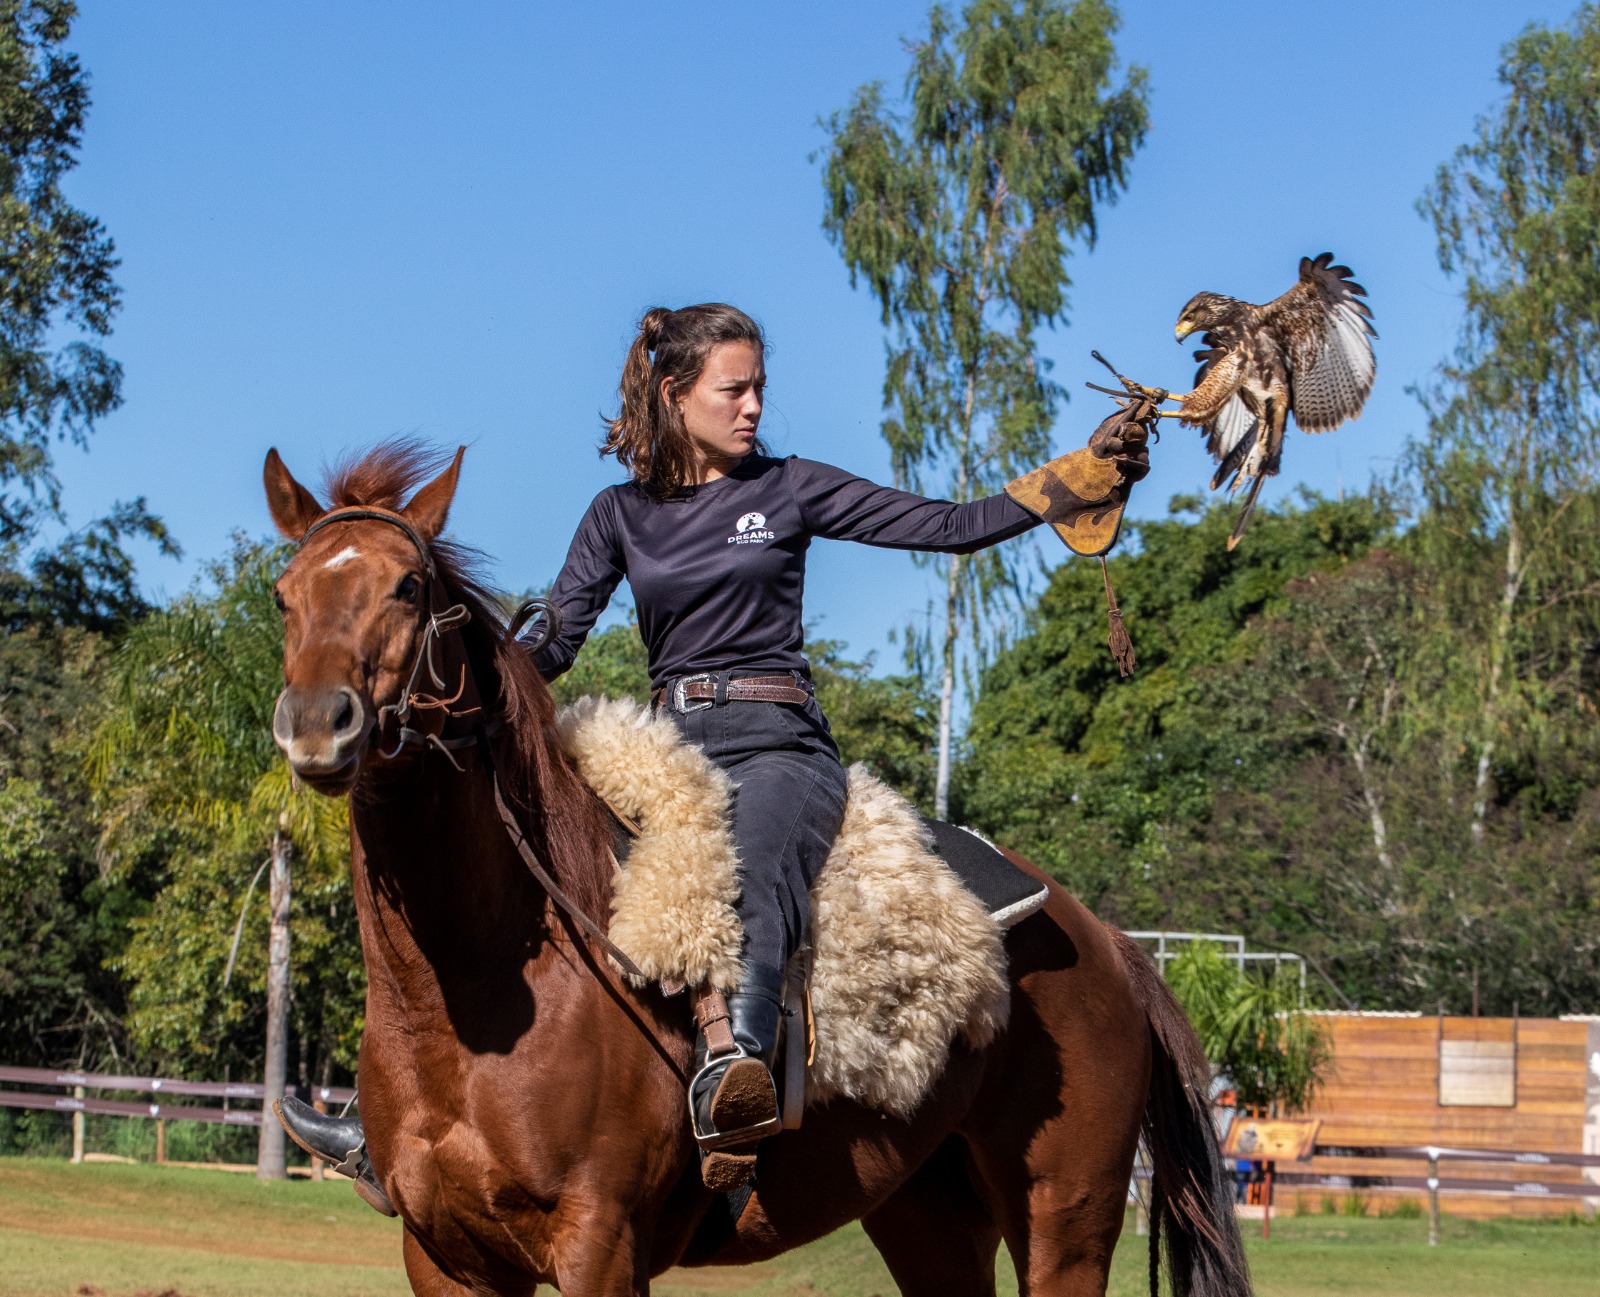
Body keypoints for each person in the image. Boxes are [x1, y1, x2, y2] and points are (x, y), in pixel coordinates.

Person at [276, 301, 1148, 1201]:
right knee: (490, 866)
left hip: (780, 745)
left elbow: (946, 526)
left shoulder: (791, 488)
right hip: (661, 745)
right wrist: (457, 684)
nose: (753, 407)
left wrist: (1071, 482)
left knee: (748, 858)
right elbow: (557, 641)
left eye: (759, 388)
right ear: (674, 393)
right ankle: (399, 1106)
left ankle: (737, 1069)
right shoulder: (619, 513)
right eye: (734, 389)